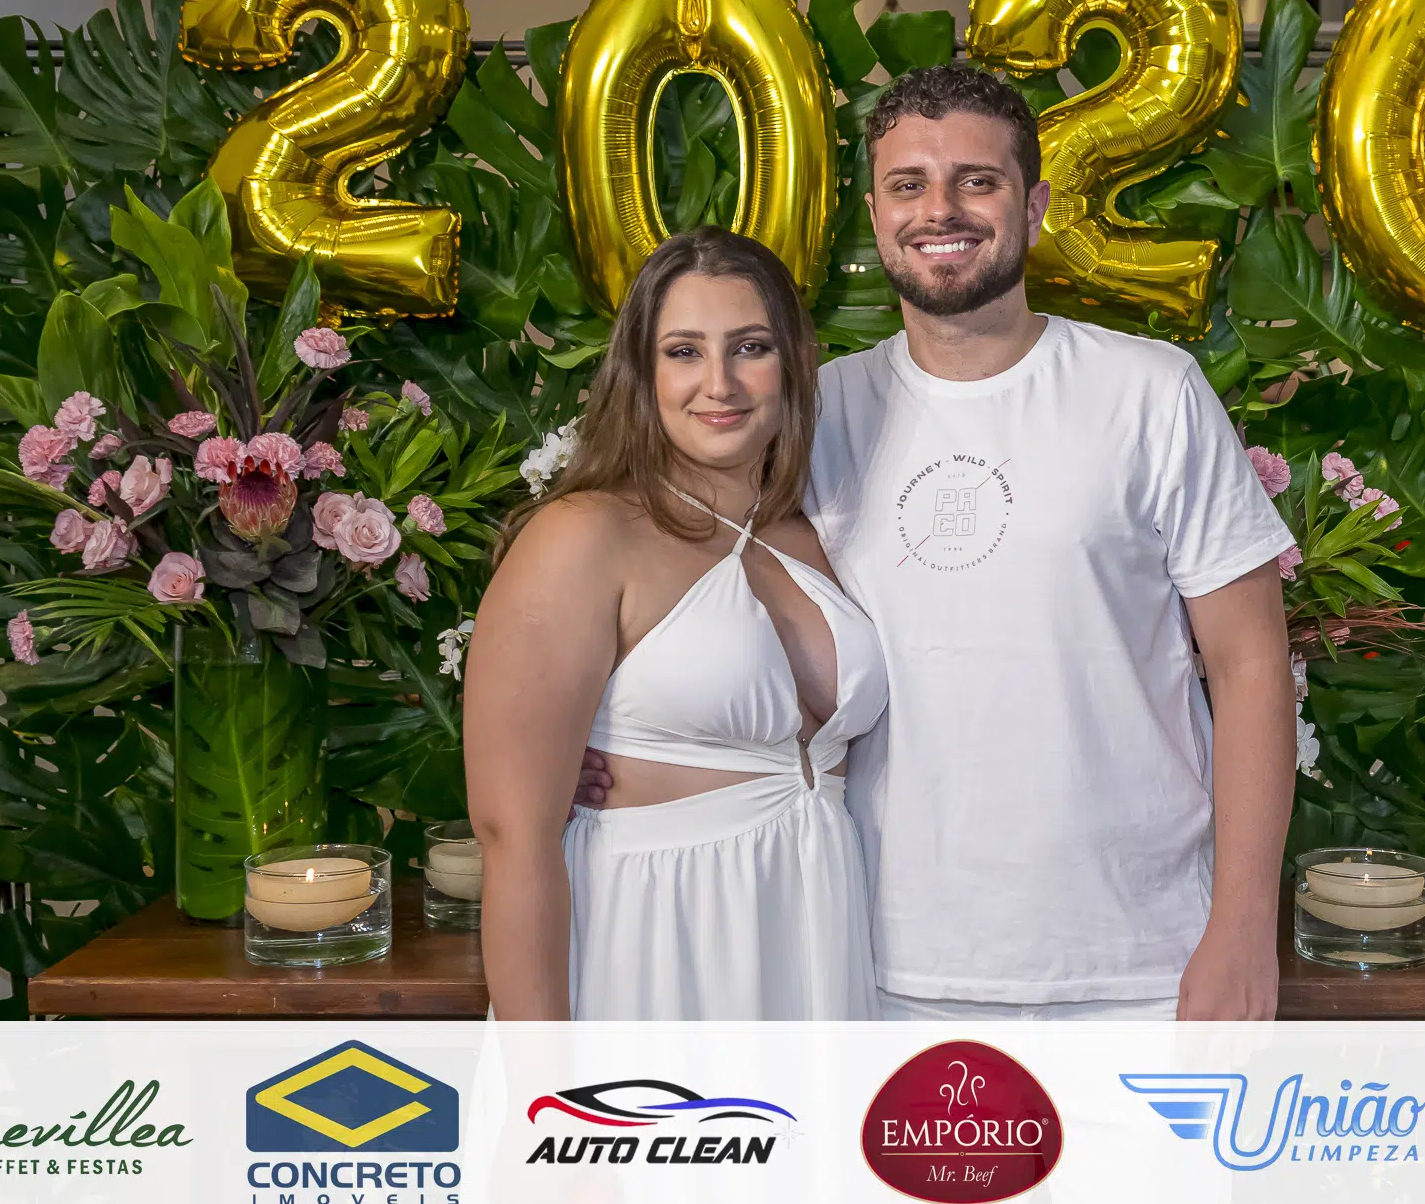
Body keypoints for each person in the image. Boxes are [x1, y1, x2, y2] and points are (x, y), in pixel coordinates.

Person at [582, 63, 1299, 1041]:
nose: (940, 211)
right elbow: (664, 578)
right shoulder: (812, 413)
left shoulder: (1149, 392)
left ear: (1033, 205)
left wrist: (1243, 925)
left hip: (1142, 962)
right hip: (881, 960)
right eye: (908, 184)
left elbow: (1251, 662)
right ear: (875, 214)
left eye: (978, 180)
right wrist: (596, 746)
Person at [464, 226, 887, 1022]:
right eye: (684, 351)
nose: (718, 383)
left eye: (750, 347)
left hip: (812, 940)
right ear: (642, 371)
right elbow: (512, 835)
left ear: (796, 363)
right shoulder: (583, 536)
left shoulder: (821, 531)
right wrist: (546, 1078)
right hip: (650, 947)